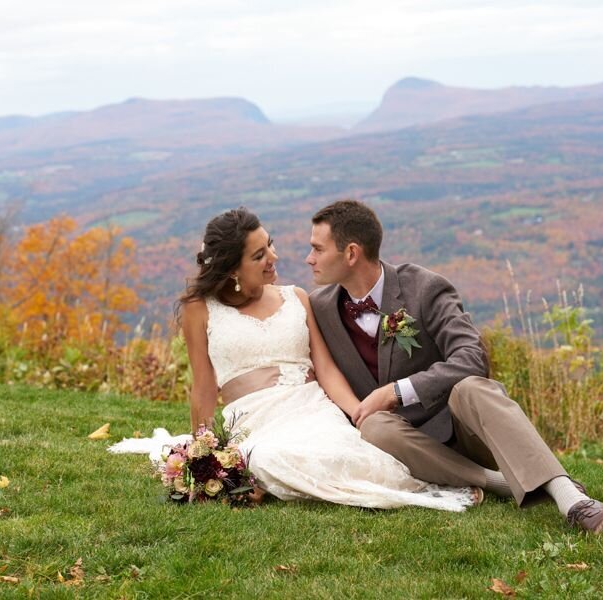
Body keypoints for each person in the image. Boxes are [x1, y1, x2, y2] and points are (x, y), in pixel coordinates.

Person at [306, 199, 603, 533]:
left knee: (471, 386)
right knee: (373, 426)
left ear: (351, 253)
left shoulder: (423, 287)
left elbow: (473, 357)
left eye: (317, 249)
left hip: (461, 430)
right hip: (400, 445)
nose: (309, 259)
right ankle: (500, 482)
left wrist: (397, 392)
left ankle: (571, 498)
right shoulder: (320, 308)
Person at [174, 207, 478, 511]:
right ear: (232, 269)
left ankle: (458, 480)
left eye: (270, 243)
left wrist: (360, 414)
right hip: (254, 420)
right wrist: (206, 458)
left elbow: (326, 370)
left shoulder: (297, 298)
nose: (273, 257)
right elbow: (203, 388)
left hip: (312, 408)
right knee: (266, 457)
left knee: (354, 457)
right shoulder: (199, 309)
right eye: (258, 255)